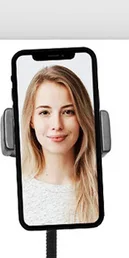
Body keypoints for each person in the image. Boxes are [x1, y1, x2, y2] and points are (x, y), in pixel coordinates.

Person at [21, 65, 99, 226]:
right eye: (45, 112)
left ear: (82, 117)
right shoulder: (18, 190)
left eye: (68, 112)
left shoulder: (101, 189)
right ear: (31, 120)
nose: (57, 125)